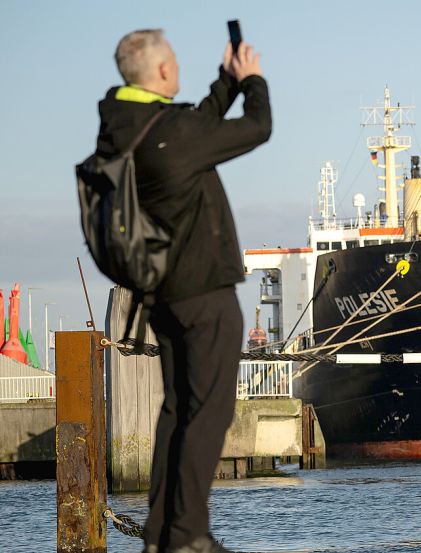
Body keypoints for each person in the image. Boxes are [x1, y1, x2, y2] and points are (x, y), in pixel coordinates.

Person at [96, 29, 272, 553]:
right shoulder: (171, 132)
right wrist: (253, 81)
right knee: (209, 411)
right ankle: (190, 533)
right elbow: (259, 127)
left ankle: (160, 535)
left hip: (164, 294)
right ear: (162, 72)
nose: (178, 69)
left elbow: (193, 125)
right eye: (173, 62)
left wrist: (226, 82)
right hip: (205, 291)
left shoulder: (125, 124)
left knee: (176, 410)